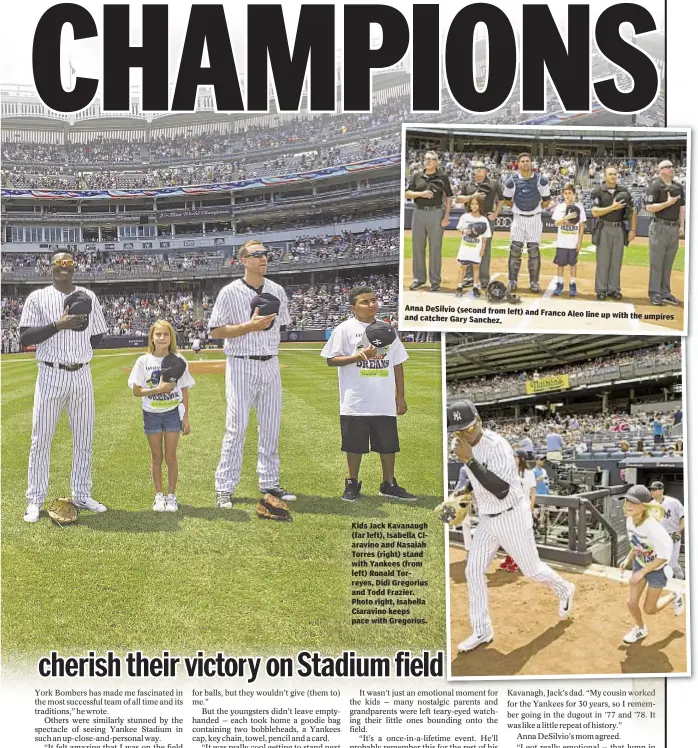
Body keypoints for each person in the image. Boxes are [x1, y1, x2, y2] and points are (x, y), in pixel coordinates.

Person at [447, 400, 575, 652]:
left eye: (469, 428)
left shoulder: (498, 446)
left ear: (480, 421)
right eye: (458, 430)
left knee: (532, 570)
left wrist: (469, 460)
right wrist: (466, 490)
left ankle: (565, 588)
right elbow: (478, 478)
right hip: (487, 518)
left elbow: (502, 490)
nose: (464, 434)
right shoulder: (463, 446)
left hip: (511, 515)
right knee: (473, 572)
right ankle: (482, 630)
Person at [18, 250, 109, 522]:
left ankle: (81, 493)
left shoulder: (88, 296)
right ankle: (34, 500)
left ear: (75, 267)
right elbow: (25, 337)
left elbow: (98, 336)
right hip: (50, 374)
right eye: (59, 263)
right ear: (51, 268)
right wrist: (60, 325)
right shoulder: (37, 297)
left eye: (68, 263)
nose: (64, 267)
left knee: (84, 438)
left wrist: (77, 344)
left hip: (81, 374)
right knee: (41, 439)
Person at [208, 239, 295, 507]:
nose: (263, 258)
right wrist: (249, 326)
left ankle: (269, 482)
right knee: (236, 428)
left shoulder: (277, 290)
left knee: (270, 427)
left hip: (270, 363)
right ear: (243, 260)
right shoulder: (229, 292)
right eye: (256, 254)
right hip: (241, 363)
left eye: (266, 254)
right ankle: (224, 487)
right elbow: (215, 331)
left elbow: (281, 326)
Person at [321, 286, 415, 502]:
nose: (372, 304)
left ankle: (389, 483)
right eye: (365, 302)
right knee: (354, 445)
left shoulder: (387, 329)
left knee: (388, 444)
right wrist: (360, 356)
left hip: (383, 400)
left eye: (374, 300)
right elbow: (331, 360)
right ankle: (352, 483)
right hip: (356, 400)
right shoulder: (344, 330)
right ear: (353, 307)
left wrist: (400, 396)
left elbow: (398, 363)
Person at [128, 320, 194, 512]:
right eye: (158, 334)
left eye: (165, 334)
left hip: (173, 413)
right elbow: (137, 391)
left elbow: (184, 389)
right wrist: (159, 389)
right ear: (152, 338)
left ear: (170, 337)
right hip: (152, 414)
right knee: (156, 456)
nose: (162, 338)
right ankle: (159, 496)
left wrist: (186, 417)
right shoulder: (143, 361)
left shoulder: (179, 360)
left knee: (171, 456)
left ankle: (172, 496)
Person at [618, 485, 684, 644]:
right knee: (631, 603)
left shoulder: (653, 527)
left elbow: (663, 557)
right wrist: (628, 558)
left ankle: (674, 595)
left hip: (658, 569)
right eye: (627, 501)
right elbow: (637, 543)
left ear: (645, 506)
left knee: (649, 609)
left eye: (633, 503)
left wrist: (641, 573)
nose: (628, 506)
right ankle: (640, 629)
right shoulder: (629, 520)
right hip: (641, 563)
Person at [501, 152, 551, 295]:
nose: (525, 163)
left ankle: (534, 282)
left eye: (527, 160)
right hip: (518, 218)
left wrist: (536, 209)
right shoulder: (511, 180)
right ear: (518, 163)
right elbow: (507, 200)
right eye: (522, 161)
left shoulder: (541, 180)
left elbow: (546, 200)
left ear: (531, 163)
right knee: (515, 249)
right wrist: (518, 209)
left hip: (535, 217)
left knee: (533, 250)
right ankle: (512, 280)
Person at [405, 151, 453, 292]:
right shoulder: (416, 176)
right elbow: (407, 193)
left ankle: (435, 281)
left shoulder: (442, 177)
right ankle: (419, 279)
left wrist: (446, 216)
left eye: (432, 159)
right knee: (417, 247)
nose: (428, 161)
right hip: (418, 212)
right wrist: (421, 194)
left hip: (436, 213)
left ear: (436, 162)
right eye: (426, 159)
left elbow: (449, 197)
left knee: (435, 249)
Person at [590, 166, 637, 301]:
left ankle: (614, 289)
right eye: (610, 174)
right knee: (603, 261)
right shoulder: (598, 190)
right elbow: (594, 212)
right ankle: (601, 290)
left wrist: (633, 229)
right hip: (604, 227)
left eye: (615, 174)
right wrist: (612, 207)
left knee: (617, 261)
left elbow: (633, 211)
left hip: (619, 228)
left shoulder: (624, 191)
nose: (612, 176)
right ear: (604, 176)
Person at [455, 160, 503, 288]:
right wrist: (472, 196)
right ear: (473, 171)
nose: (480, 170)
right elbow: (459, 198)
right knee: (469, 247)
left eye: (482, 168)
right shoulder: (467, 184)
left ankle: (484, 279)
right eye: (477, 168)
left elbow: (501, 200)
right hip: (470, 220)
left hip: (486, 219)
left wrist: (495, 214)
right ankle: (469, 277)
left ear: (486, 171)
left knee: (484, 250)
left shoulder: (493, 183)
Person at [644, 160, 685, 306]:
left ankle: (665, 292)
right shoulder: (655, 186)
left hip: (673, 227)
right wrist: (668, 203)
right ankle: (655, 293)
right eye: (667, 167)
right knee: (657, 262)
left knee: (668, 262)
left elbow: (682, 207)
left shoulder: (678, 186)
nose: (671, 169)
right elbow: (649, 208)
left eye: (672, 166)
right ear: (660, 170)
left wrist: (682, 225)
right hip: (659, 226)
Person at [501, 450, 537, 574]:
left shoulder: (529, 473)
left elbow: (533, 492)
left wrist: (530, 507)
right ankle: (510, 558)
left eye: (515, 457)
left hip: (523, 509)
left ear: (521, 458)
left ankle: (518, 561)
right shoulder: (509, 472)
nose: (513, 459)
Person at [551, 183, 586, 297]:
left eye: (569, 193)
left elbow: (581, 225)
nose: (567, 195)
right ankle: (560, 284)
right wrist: (566, 217)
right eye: (565, 193)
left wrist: (580, 241)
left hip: (573, 241)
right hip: (562, 242)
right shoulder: (560, 207)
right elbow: (556, 223)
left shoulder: (579, 206)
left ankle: (572, 284)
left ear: (574, 194)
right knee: (560, 264)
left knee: (573, 264)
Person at [454, 195, 491, 298]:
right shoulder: (465, 217)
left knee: (476, 267)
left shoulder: (483, 220)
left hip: (476, 247)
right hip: (465, 246)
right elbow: (459, 228)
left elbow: (485, 237)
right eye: (472, 204)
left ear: (480, 206)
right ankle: (459, 286)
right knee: (462, 267)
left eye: (476, 204)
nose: (474, 206)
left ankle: (475, 286)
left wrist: (483, 249)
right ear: (469, 205)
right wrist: (463, 231)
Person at [649, 481, 685, 580]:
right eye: (651, 489)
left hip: (673, 535)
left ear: (661, 490)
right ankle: (669, 585)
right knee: (662, 563)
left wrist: (678, 532)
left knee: (673, 565)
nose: (652, 491)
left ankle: (681, 578)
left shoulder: (673, 502)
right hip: (660, 537)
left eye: (655, 489)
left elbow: (684, 517)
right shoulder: (651, 504)